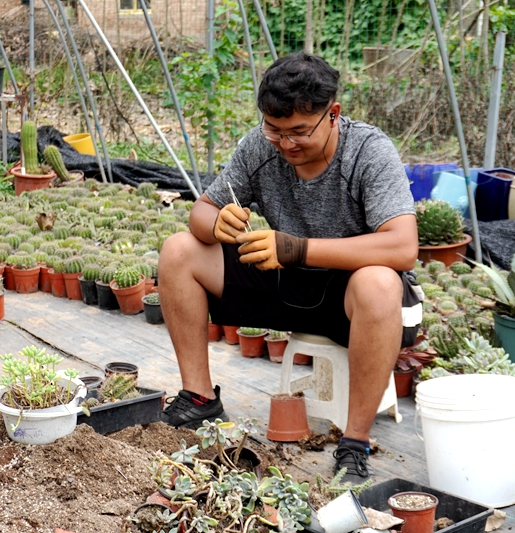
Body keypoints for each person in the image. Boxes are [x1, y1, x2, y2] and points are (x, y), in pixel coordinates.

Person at [157, 52, 420, 481]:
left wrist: (298, 249)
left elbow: (402, 246)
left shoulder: (369, 152)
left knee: (378, 282)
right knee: (179, 250)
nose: (286, 143)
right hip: (287, 282)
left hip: (358, 300)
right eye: (274, 130)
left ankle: (354, 442)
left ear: (332, 114)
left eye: (299, 131)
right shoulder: (261, 147)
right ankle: (200, 398)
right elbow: (202, 212)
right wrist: (215, 220)